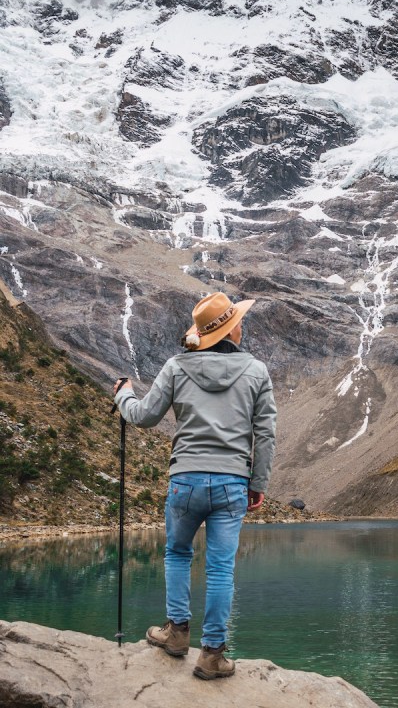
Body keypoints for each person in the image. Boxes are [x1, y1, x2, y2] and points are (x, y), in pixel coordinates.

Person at [113, 291, 277, 680]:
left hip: (184, 480)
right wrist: (258, 483)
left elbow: (145, 415)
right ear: (231, 330)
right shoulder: (257, 371)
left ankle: (176, 634)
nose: (241, 324)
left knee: (177, 554)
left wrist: (123, 395)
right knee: (221, 568)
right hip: (232, 482)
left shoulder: (176, 366)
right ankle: (212, 655)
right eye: (238, 320)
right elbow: (265, 434)